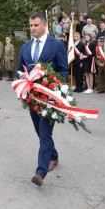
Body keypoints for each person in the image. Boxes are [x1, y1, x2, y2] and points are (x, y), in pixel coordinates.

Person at [16, 12, 68, 186]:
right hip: (32, 98)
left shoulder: (56, 45)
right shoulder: (25, 47)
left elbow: (64, 71)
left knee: (45, 133)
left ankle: (40, 172)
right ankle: (53, 155)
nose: (32, 28)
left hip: (49, 98)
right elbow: (18, 70)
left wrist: (50, 81)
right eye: (30, 25)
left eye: (36, 25)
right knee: (39, 132)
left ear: (44, 25)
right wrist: (22, 75)